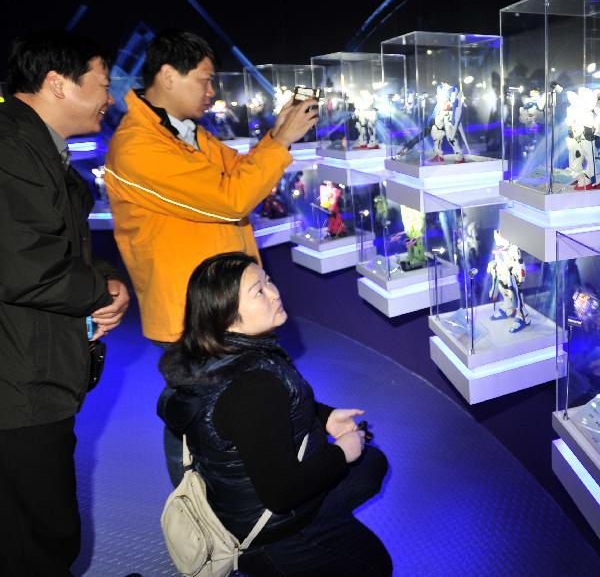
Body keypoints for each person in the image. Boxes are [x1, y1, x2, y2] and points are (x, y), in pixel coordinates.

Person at [103, 31, 317, 484]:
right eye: (203, 80)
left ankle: (241, 507)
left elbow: (239, 172)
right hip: (188, 314)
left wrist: (277, 134)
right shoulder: (139, 145)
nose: (211, 91)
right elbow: (232, 199)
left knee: (239, 414)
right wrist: (280, 143)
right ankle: (194, 522)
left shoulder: (185, 134)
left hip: (219, 307)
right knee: (194, 420)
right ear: (166, 75)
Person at [158, 252, 391, 576]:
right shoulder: (254, 388)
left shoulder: (214, 354)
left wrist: (324, 416)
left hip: (237, 497)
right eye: (258, 291)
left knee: (372, 465)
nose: (274, 292)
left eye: (268, 280)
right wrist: (341, 453)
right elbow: (281, 494)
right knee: (374, 564)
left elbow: (250, 420)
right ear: (228, 316)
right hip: (272, 529)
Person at [0, 32, 130, 574]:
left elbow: (56, 246)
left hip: (32, 372)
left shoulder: (33, 147)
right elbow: (25, 264)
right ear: (57, 83)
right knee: (42, 537)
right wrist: (103, 292)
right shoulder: (11, 148)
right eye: (102, 84)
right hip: (18, 388)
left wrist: (103, 281)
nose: (109, 98)